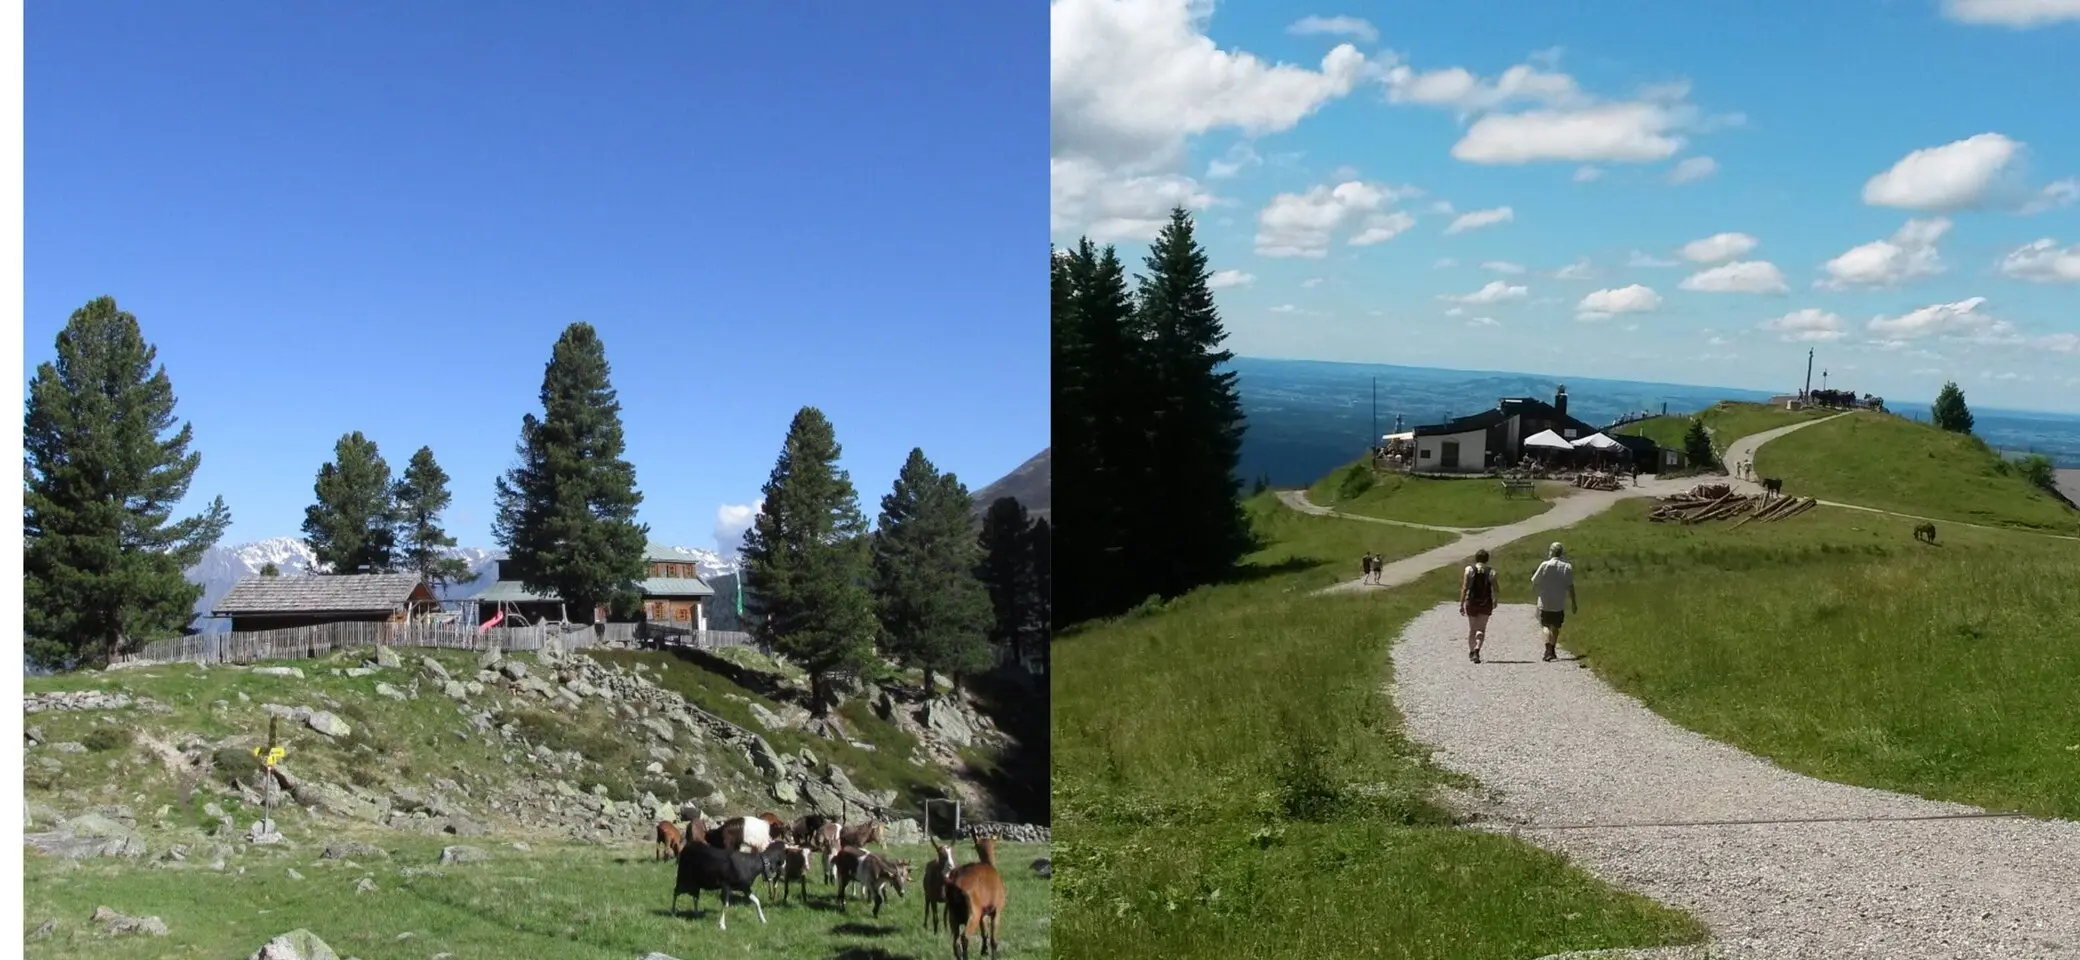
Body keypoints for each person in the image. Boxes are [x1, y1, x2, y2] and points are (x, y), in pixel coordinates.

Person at [1529, 541, 1577, 662]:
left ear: (1551, 551)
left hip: (1545, 600)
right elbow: (1570, 586)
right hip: (1559, 601)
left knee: (1545, 625)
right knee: (1555, 626)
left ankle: (1548, 650)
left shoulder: (1545, 565)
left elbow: (1534, 580)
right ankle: (1552, 649)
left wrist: (1536, 589)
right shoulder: (1567, 567)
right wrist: (1573, 602)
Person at [1459, 549, 1498, 663]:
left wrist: (1461, 603)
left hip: (1471, 602)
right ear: (1487, 559)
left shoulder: (1469, 570)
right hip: (1486, 603)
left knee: (1472, 629)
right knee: (1481, 629)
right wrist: (1495, 600)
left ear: (1475, 558)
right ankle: (1477, 650)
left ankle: (1471, 651)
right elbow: (1496, 589)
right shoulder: (1492, 572)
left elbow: (1465, 587)